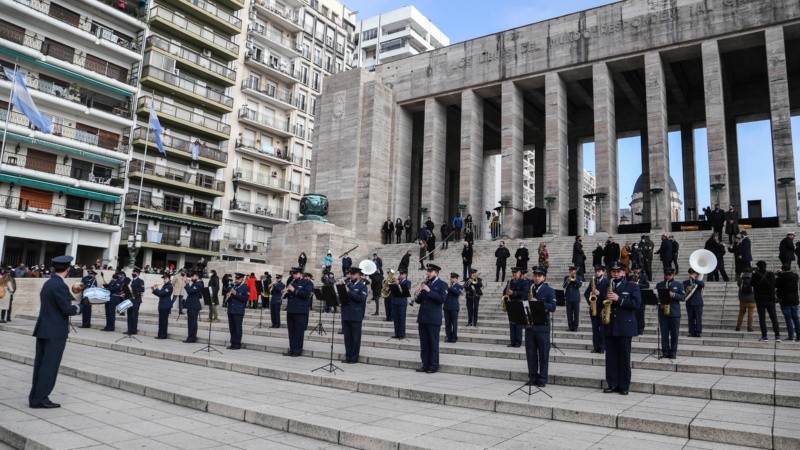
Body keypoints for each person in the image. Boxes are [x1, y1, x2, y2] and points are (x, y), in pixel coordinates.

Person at [28, 255, 82, 409]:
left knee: (40, 365)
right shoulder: (60, 285)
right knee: (49, 367)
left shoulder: (49, 283)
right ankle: (40, 399)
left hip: (44, 329)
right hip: (55, 331)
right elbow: (67, 309)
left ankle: (35, 396)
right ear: (68, 269)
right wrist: (81, 307)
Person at [602, 262, 641, 396]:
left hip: (624, 326)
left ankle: (624, 385)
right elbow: (601, 302)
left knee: (624, 357)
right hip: (610, 325)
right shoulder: (607, 286)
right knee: (611, 357)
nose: (616, 274)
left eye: (618, 271)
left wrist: (619, 299)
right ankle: (612, 383)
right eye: (614, 271)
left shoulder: (632, 286)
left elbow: (636, 304)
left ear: (624, 273)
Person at [413, 264, 448, 373]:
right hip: (423, 317)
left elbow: (442, 299)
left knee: (433, 343)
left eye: (430, 271)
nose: (428, 273)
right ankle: (425, 364)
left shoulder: (443, 284)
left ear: (436, 273)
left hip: (433, 319)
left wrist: (429, 291)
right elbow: (420, 301)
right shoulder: (426, 283)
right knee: (424, 343)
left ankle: (433, 366)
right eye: (427, 271)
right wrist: (417, 295)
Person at [525, 266, 556, 387]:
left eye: (539, 276)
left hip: (542, 327)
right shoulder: (530, 288)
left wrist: (538, 303)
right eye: (535, 276)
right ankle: (532, 377)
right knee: (531, 354)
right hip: (530, 326)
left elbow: (552, 307)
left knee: (543, 355)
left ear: (544, 278)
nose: (536, 278)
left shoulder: (549, 290)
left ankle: (542, 379)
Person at [284, 267, 313, 356]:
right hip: (291, 310)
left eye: (295, 274)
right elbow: (289, 295)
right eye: (293, 274)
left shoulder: (307, 283)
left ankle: (297, 350)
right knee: (291, 331)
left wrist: (294, 290)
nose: (294, 275)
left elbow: (306, 295)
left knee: (299, 332)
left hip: (300, 311)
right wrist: (285, 292)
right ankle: (292, 349)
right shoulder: (292, 282)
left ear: (300, 274)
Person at [656, 268, 684, 359]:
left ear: (673, 275)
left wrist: (673, 294)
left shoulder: (678, 284)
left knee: (674, 334)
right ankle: (665, 352)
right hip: (663, 312)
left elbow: (683, 297)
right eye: (666, 275)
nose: (668, 277)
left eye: (670, 275)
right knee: (664, 333)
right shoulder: (660, 284)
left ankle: (673, 353)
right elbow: (655, 297)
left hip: (674, 312)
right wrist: (659, 301)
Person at [341, 267, 368, 363]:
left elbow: (361, 299)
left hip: (356, 314)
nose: (351, 276)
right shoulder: (348, 284)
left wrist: (349, 292)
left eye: (353, 274)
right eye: (350, 274)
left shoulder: (362, 286)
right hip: (346, 313)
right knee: (347, 337)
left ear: (358, 275)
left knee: (355, 337)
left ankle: (354, 358)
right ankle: (348, 356)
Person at [752, 260, 781, 342]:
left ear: (758, 267)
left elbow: (751, 284)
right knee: (774, 318)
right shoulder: (771, 274)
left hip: (760, 299)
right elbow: (775, 284)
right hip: (770, 299)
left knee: (762, 318)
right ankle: (777, 336)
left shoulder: (755, 274)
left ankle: (764, 336)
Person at [584, 265, 609, 354]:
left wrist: (600, 293)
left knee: (602, 329)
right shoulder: (593, 281)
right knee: (595, 329)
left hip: (602, 309)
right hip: (593, 308)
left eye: (599, 271)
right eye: (596, 271)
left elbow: (608, 296)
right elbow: (586, 293)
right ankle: (596, 347)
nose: (597, 273)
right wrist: (590, 302)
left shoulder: (607, 282)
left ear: (603, 272)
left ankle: (602, 347)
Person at [775, 265, 800, 342]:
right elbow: (795, 275)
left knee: (788, 319)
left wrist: (778, 274)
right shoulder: (795, 276)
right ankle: (799, 336)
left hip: (785, 301)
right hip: (795, 300)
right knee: (796, 318)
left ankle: (791, 336)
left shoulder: (780, 278)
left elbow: (776, 285)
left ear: (782, 269)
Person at [506, 267, 529, 348]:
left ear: (520, 273)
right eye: (513, 272)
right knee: (512, 323)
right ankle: (512, 341)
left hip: (519, 303)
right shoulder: (510, 281)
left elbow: (524, 293)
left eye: (516, 272)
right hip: (511, 303)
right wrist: (506, 294)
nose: (514, 274)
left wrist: (513, 293)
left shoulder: (524, 282)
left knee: (518, 324)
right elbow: (505, 291)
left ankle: (518, 342)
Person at [226, 273, 250, 350]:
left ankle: (237, 344)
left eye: (238, 279)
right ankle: (232, 343)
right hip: (231, 310)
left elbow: (245, 299)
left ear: (242, 279)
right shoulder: (234, 286)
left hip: (238, 310)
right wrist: (228, 296)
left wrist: (236, 294)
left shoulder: (245, 287)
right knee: (232, 328)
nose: (236, 280)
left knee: (237, 328)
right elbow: (230, 298)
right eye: (236, 279)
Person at [183, 272, 203, 343]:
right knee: (191, 322)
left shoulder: (198, 284)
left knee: (192, 322)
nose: (191, 278)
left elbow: (190, 291)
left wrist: (187, 284)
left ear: (197, 276)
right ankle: (191, 337)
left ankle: (191, 338)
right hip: (191, 305)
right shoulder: (195, 283)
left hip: (194, 305)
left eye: (193, 276)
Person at [684, 268, 705, 337]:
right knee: (690, 318)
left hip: (697, 302)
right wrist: (687, 289)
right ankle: (691, 332)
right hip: (689, 302)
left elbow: (702, 285)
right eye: (691, 273)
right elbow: (683, 291)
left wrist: (695, 279)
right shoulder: (685, 282)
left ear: (696, 274)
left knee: (698, 318)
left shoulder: (699, 281)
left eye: (694, 273)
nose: (692, 274)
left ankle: (698, 332)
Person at [392, 269, 412, 338]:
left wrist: (398, 284)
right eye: (400, 274)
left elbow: (405, 291)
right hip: (395, 302)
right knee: (396, 319)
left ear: (406, 275)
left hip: (402, 302)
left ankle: (402, 334)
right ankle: (397, 334)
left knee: (401, 319)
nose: (400, 275)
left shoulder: (408, 282)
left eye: (402, 274)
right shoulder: (398, 281)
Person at [443, 273, 463, 343]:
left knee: (454, 323)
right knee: (447, 323)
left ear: (456, 279)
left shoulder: (459, 286)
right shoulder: (447, 286)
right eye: (451, 277)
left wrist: (450, 288)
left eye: (453, 277)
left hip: (454, 307)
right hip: (446, 306)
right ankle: (449, 337)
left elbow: (457, 293)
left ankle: (454, 337)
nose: (452, 279)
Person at [152, 273, 173, 339]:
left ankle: (163, 335)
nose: (164, 280)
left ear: (169, 279)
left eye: (166, 278)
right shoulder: (165, 285)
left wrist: (156, 289)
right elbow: (159, 294)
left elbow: (161, 293)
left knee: (164, 321)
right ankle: (160, 334)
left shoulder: (169, 286)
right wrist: (153, 290)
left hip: (166, 305)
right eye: (164, 279)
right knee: (161, 321)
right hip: (162, 305)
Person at [563, 265, 583, 332]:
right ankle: (570, 327)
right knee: (569, 313)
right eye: (570, 270)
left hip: (576, 298)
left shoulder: (579, 278)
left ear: (575, 271)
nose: (571, 271)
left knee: (576, 313)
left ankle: (575, 327)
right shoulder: (566, 278)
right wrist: (568, 280)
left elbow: (579, 285)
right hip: (568, 297)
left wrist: (575, 279)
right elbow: (564, 286)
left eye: (573, 270)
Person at [125, 268, 144, 335]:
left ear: (138, 274)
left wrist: (134, 290)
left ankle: (133, 330)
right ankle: (129, 329)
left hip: (136, 300)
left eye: (134, 272)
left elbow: (142, 289)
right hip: (130, 299)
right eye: (133, 272)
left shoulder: (140, 281)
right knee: (129, 315)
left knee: (134, 315)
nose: (133, 273)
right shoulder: (131, 281)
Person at [632, 264, 650, 335]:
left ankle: (640, 329)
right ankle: (634, 329)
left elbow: (647, 285)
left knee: (641, 314)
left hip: (641, 297)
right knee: (633, 314)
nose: (636, 270)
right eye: (635, 269)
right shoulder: (630, 277)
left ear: (640, 269)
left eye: (638, 269)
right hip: (633, 297)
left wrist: (638, 284)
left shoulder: (644, 276)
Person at [736, 267, 756, 332]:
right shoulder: (753, 278)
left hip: (742, 299)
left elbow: (738, 285)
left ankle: (738, 327)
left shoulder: (741, 278)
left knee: (741, 313)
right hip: (752, 299)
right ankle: (750, 327)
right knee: (750, 314)